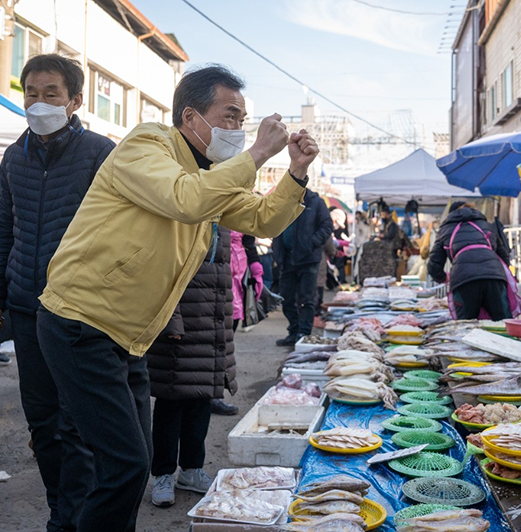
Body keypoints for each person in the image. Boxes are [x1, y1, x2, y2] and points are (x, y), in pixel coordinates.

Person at [28, 65, 318, 532]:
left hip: (128, 335)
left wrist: (296, 174)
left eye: (242, 119)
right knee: (124, 463)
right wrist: (261, 151)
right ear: (191, 116)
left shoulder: (209, 175)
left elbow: (263, 219)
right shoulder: (148, 145)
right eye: (229, 116)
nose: (237, 129)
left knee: (127, 464)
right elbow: (184, 198)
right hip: (80, 322)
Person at [0, 54, 113, 532]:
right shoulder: (14, 156)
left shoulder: (101, 153)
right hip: (25, 309)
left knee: (76, 422)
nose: (38, 102)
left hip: (79, 311)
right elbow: (1, 231)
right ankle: (62, 507)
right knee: (42, 421)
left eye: (50, 93)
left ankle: (72, 518)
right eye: (30, 93)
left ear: (75, 101)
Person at [145, 225, 237, 508]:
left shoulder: (221, 221)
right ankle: (162, 474)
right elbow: (161, 269)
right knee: (170, 403)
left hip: (211, 325)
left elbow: (222, 276)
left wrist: (225, 324)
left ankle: (192, 470)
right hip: (181, 327)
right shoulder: (179, 215)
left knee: (201, 400)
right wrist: (171, 320)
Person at [428, 203, 517, 320]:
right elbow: (504, 256)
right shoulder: (486, 226)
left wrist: (443, 278)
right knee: (504, 323)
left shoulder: (445, 230)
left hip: (464, 280)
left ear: (451, 214)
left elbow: (434, 266)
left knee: (465, 326)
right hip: (494, 278)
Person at [272, 188, 332, 347]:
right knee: (286, 298)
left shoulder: (315, 202)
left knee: (307, 299)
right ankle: (294, 330)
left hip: (308, 258)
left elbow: (326, 226)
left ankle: (304, 334)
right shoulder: (283, 200)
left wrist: (311, 243)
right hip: (286, 258)